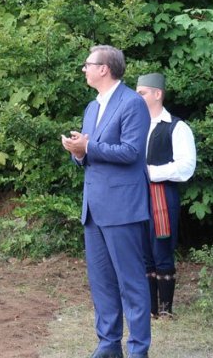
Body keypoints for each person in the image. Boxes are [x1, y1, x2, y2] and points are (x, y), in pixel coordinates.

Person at [61, 45, 151, 358]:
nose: (83, 69)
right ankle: (109, 344)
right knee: (102, 282)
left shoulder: (132, 103)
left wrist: (89, 147)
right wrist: (78, 151)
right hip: (94, 207)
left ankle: (138, 350)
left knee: (131, 283)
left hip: (123, 207)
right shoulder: (92, 107)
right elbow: (89, 154)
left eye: (88, 64)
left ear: (104, 68)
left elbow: (132, 152)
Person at [136, 73, 196, 319]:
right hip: (137, 195)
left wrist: (150, 172)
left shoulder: (177, 127)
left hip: (163, 195)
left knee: (162, 247)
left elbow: (186, 167)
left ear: (157, 94)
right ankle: (150, 308)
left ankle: (165, 309)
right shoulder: (135, 125)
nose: (137, 97)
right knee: (142, 249)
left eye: (142, 93)